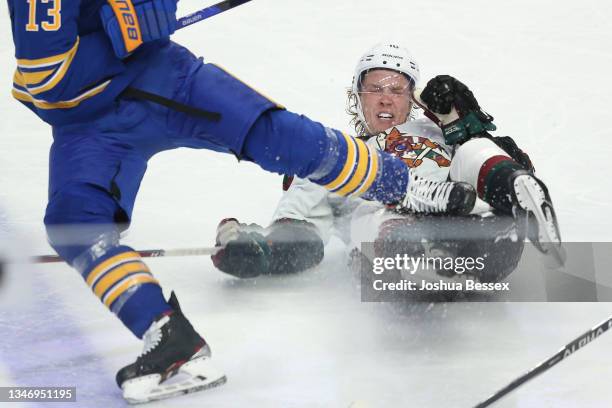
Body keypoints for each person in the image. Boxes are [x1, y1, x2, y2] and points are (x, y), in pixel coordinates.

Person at [6, 3, 476, 403]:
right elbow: (47, 78)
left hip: (162, 80)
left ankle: (405, 188)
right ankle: (167, 335)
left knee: (280, 138)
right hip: (90, 127)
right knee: (75, 228)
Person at [212, 42, 563, 285]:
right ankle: (405, 238)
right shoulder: (337, 154)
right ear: (357, 94)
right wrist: (264, 252)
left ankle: (502, 204)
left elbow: (515, 157)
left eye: (397, 90)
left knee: (472, 150)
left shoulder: (439, 131)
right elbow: (301, 228)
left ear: (412, 99)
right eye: (374, 87)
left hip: (464, 216)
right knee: (371, 205)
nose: (385, 97)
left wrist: (465, 122)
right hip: (388, 254)